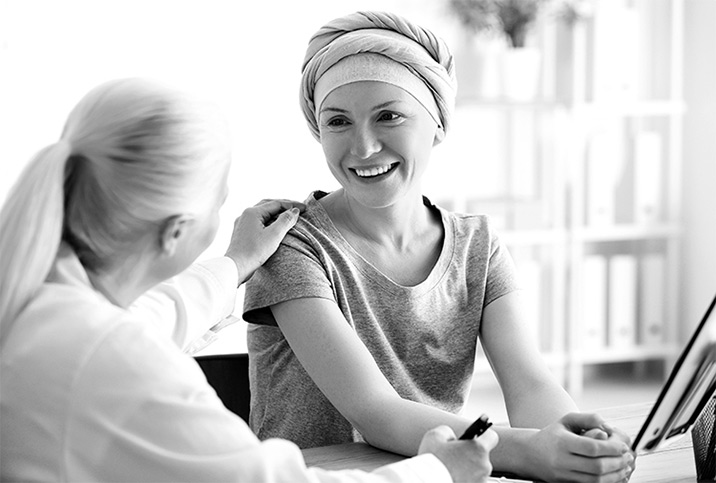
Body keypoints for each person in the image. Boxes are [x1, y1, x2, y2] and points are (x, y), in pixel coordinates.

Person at [0, 78, 498, 483]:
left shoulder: (43, 304)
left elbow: (153, 315)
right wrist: (437, 472)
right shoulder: (115, 358)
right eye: (219, 201)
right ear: (177, 231)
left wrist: (236, 263)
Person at [243, 11, 636, 483]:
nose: (363, 146)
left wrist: (572, 443)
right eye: (338, 121)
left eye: (388, 116)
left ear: (437, 125)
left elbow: (530, 382)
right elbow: (375, 411)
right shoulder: (293, 246)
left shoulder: (478, 246)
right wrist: (531, 451)